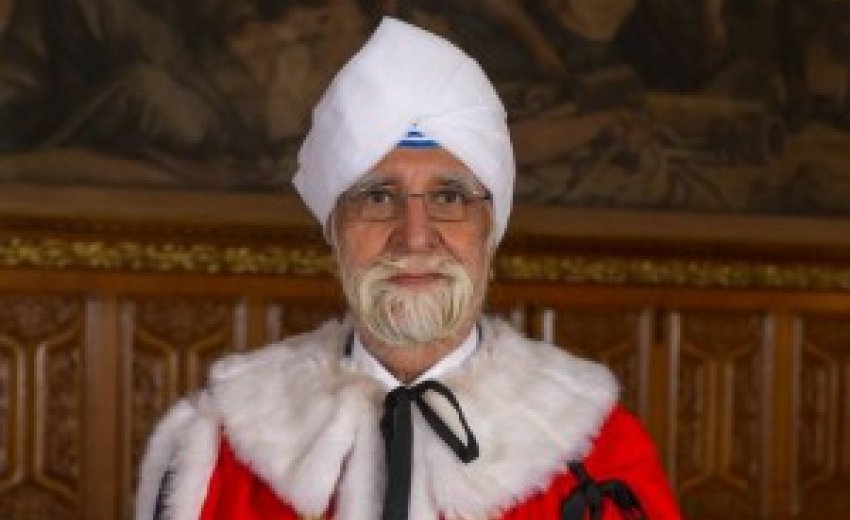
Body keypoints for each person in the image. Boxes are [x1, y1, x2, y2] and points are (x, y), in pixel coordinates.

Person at [135, 17, 681, 520]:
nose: (415, 236)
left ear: (490, 228)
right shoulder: (223, 451)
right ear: (334, 230)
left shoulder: (596, 456)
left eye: (449, 197)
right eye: (377, 197)